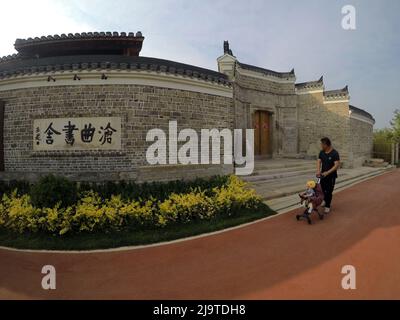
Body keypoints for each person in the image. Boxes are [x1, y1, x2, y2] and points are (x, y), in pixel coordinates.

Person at [316, 137, 340, 213]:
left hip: (331, 176)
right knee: (322, 190)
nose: (321, 145)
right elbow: (319, 161)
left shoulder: (334, 153)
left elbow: (336, 165)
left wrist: (327, 172)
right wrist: (318, 171)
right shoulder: (321, 152)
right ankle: (325, 200)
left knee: (329, 191)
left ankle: (327, 206)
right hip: (322, 176)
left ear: (326, 145)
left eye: (322, 144)